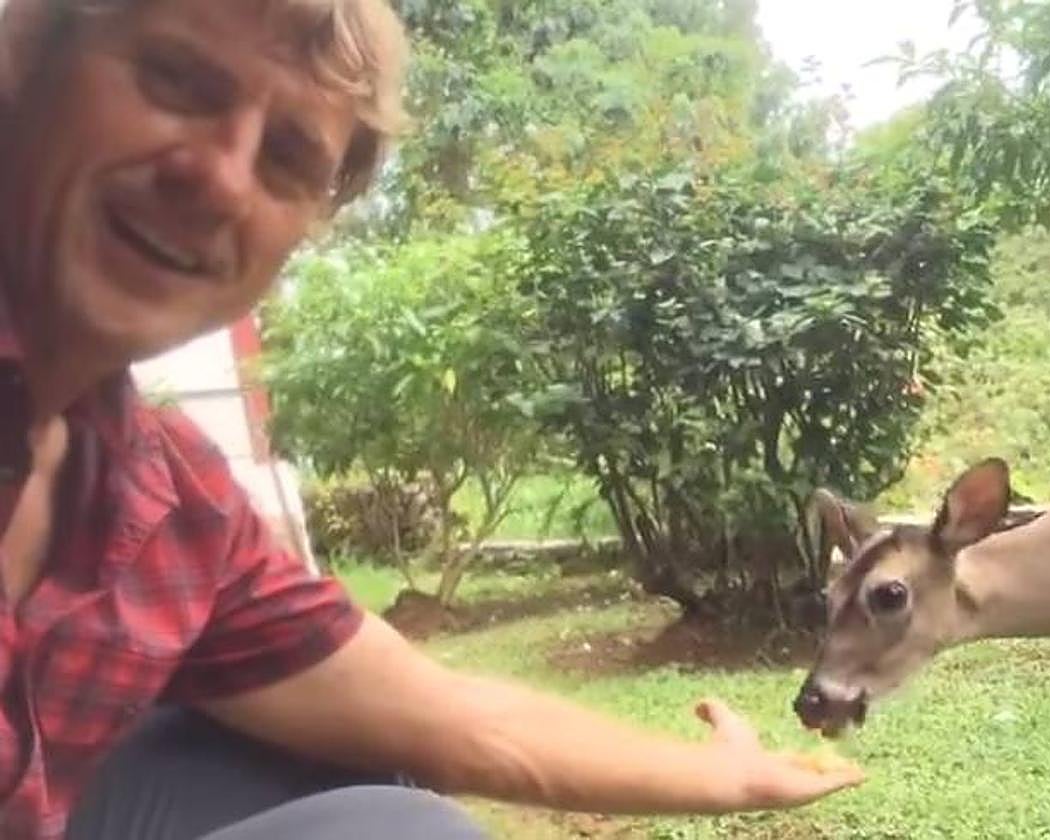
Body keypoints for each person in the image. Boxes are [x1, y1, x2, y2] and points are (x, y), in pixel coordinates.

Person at [0, 1, 866, 838]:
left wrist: (726, 777)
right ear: (28, 54)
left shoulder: (159, 499)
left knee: (349, 767)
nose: (222, 178)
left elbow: (440, 716)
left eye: (286, 158)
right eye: (176, 81)